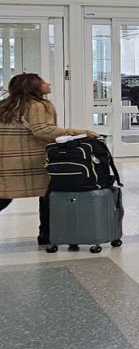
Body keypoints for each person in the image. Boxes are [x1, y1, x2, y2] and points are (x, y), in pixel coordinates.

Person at [0, 72, 100, 247]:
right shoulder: (38, 105)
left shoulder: (6, 105)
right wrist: (79, 132)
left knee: (4, 195)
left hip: (7, 159)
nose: (48, 84)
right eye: (43, 82)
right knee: (48, 194)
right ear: (33, 87)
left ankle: (46, 234)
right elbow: (42, 130)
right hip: (32, 159)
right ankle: (46, 234)